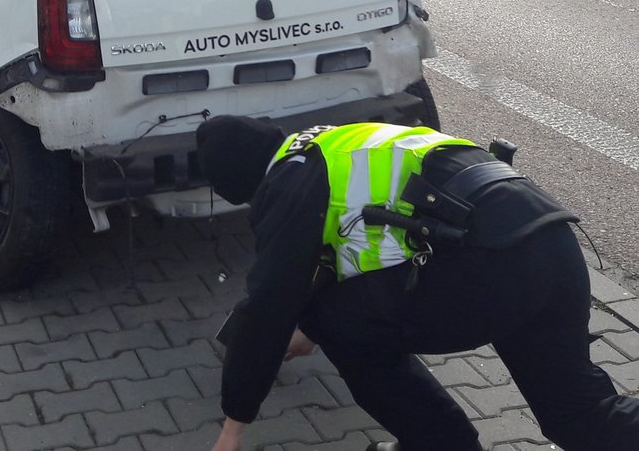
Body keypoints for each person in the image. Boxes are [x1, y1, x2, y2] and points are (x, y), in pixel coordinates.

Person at [195, 116, 639, 451]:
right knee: (579, 416)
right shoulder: (336, 141)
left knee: (335, 325)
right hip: (550, 238)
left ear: (243, 183)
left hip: (488, 265)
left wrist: (232, 428)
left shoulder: (287, 183)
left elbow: (270, 307)